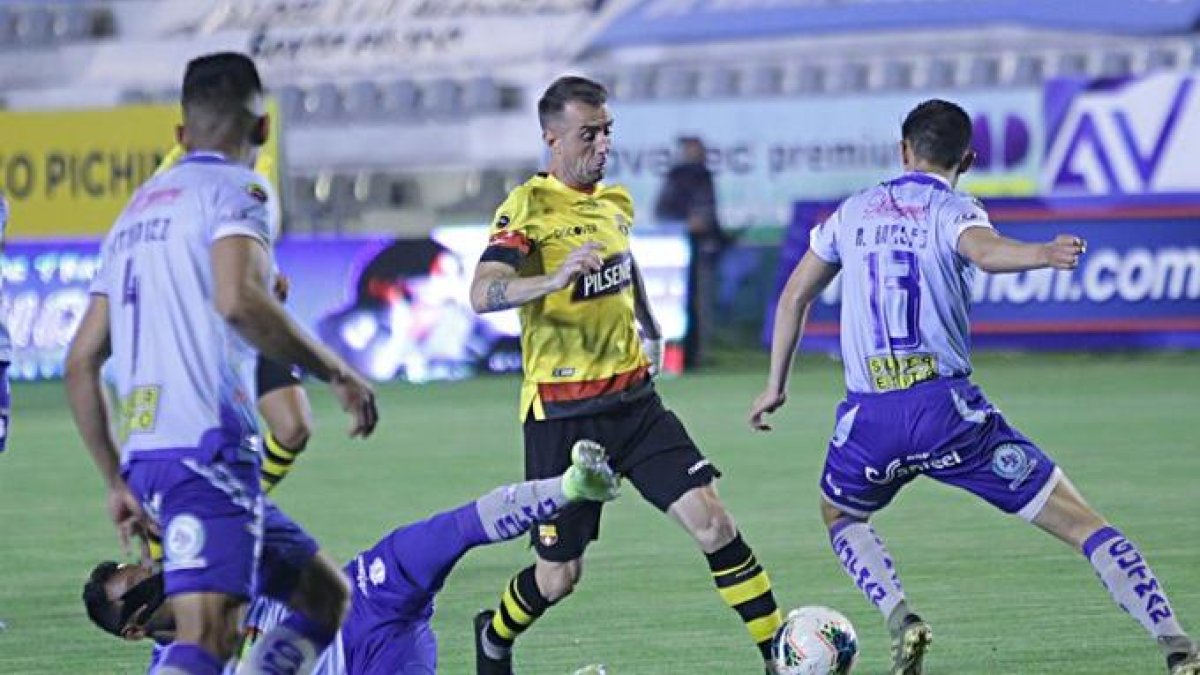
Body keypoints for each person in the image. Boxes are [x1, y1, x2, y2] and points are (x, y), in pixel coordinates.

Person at [748, 98, 1200, 675]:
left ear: (903, 150)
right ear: (968, 159)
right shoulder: (953, 209)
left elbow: (793, 296)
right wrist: (1043, 253)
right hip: (946, 414)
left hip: (870, 419)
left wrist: (775, 385)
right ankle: (1176, 644)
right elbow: (984, 253)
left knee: (840, 514)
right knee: (1084, 525)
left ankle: (900, 616)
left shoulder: (852, 211)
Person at [65, 52, 378, 675]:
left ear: (180, 134)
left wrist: (115, 480)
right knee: (209, 638)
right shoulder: (240, 189)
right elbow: (239, 300)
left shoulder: (133, 214)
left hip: (153, 457)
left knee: (324, 598)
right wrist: (337, 372)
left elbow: (80, 363)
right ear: (262, 128)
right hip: (205, 450)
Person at [469, 76, 783, 675]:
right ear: (553, 139)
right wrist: (552, 279)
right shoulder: (527, 208)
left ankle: (780, 657)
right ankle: (495, 635)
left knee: (715, 524)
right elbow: (483, 293)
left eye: (607, 131)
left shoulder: (615, 201)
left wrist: (651, 324)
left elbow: (624, 263)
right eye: (588, 134)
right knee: (559, 577)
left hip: (636, 403)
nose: (603, 144)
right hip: (563, 416)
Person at [82, 441, 621, 675]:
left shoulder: (202, 563)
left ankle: (571, 485)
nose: (156, 573)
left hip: (362, 597)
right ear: (134, 629)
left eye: (147, 567)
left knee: (441, 534)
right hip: (368, 664)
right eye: (141, 584)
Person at [153, 142, 314, 493]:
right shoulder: (176, 168)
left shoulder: (257, 162)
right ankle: (181, 517)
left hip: (252, 315)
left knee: (293, 426)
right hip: (200, 324)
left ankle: (246, 500)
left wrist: (269, 274)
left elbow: (251, 236)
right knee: (205, 440)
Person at [654, 136, 725, 369]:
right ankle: (677, 353)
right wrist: (686, 224)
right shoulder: (676, 177)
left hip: (703, 249)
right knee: (679, 305)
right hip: (679, 251)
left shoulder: (705, 176)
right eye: (693, 149)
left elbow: (710, 214)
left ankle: (698, 353)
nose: (698, 153)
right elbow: (662, 212)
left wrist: (717, 236)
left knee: (702, 304)